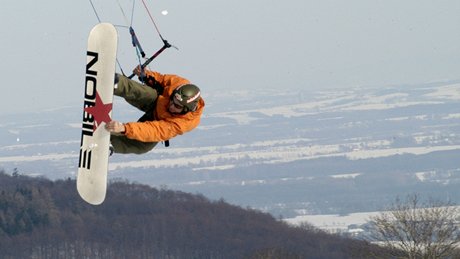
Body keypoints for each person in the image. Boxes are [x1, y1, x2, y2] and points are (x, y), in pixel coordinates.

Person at [105, 66, 204, 154]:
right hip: (156, 102)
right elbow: (161, 79)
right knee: (147, 93)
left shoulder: (183, 123)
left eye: (177, 106)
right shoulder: (180, 84)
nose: (172, 106)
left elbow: (155, 130)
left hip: (159, 121)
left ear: (186, 110)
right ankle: (116, 83)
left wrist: (125, 128)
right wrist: (146, 75)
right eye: (172, 100)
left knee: (143, 146)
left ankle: (107, 144)